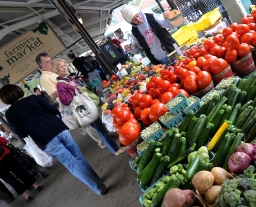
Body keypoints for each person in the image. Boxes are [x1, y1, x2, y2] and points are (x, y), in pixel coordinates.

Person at [0, 85, 108, 195]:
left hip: (46, 140)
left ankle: (98, 187)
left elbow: (22, 134)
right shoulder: (34, 98)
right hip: (60, 130)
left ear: (5, 99)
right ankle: (97, 180)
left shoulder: (10, 114)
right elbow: (54, 111)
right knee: (78, 156)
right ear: (18, 90)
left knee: (71, 164)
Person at [36, 53, 105, 148]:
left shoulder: (53, 71)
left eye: (50, 60)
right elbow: (53, 94)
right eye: (47, 62)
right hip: (70, 103)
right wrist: (67, 86)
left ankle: (105, 137)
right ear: (41, 65)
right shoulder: (44, 77)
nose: (51, 62)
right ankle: (101, 141)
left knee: (91, 116)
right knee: (85, 123)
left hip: (75, 97)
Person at [51, 58, 119, 153]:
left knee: (101, 130)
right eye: (61, 67)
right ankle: (115, 149)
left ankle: (114, 148)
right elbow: (65, 100)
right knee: (101, 131)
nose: (64, 68)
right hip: (82, 110)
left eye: (64, 65)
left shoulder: (67, 79)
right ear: (56, 70)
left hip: (84, 108)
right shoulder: (60, 84)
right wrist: (71, 87)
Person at [0, 136, 42, 202]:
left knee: (10, 180)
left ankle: (26, 196)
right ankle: (36, 186)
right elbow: (4, 141)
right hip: (6, 155)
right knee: (20, 171)